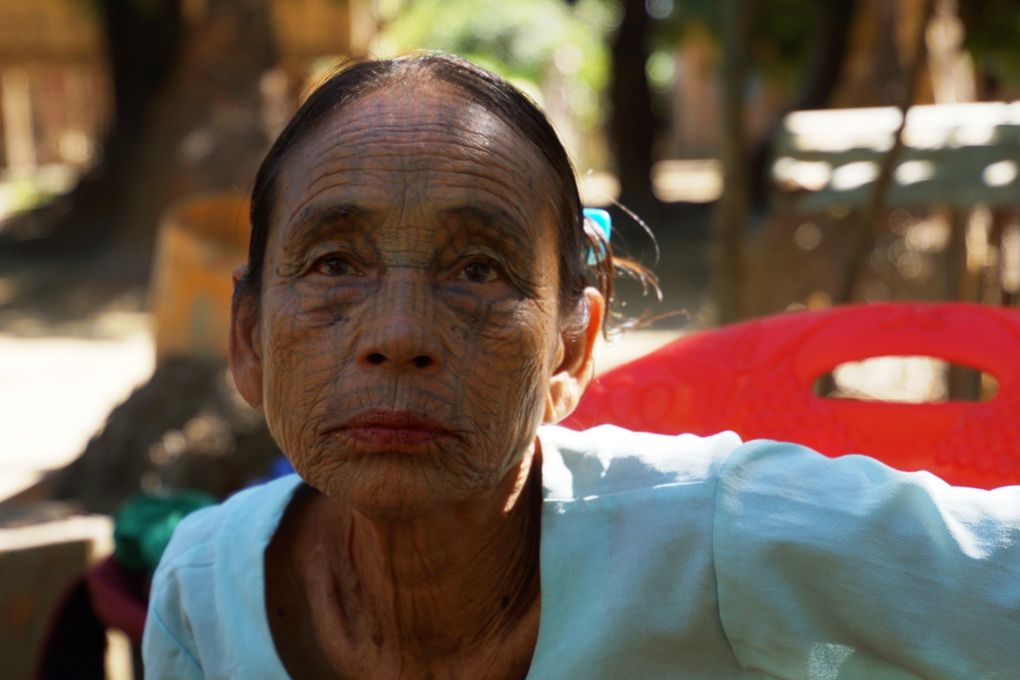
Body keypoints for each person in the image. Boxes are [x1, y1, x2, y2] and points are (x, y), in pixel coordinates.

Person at [142, 54, 1020, 679]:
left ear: (571, 350)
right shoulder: (204, 590)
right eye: (334, 264)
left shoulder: (716, 538)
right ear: (248, 338)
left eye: (476, 269)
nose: (399, 332)